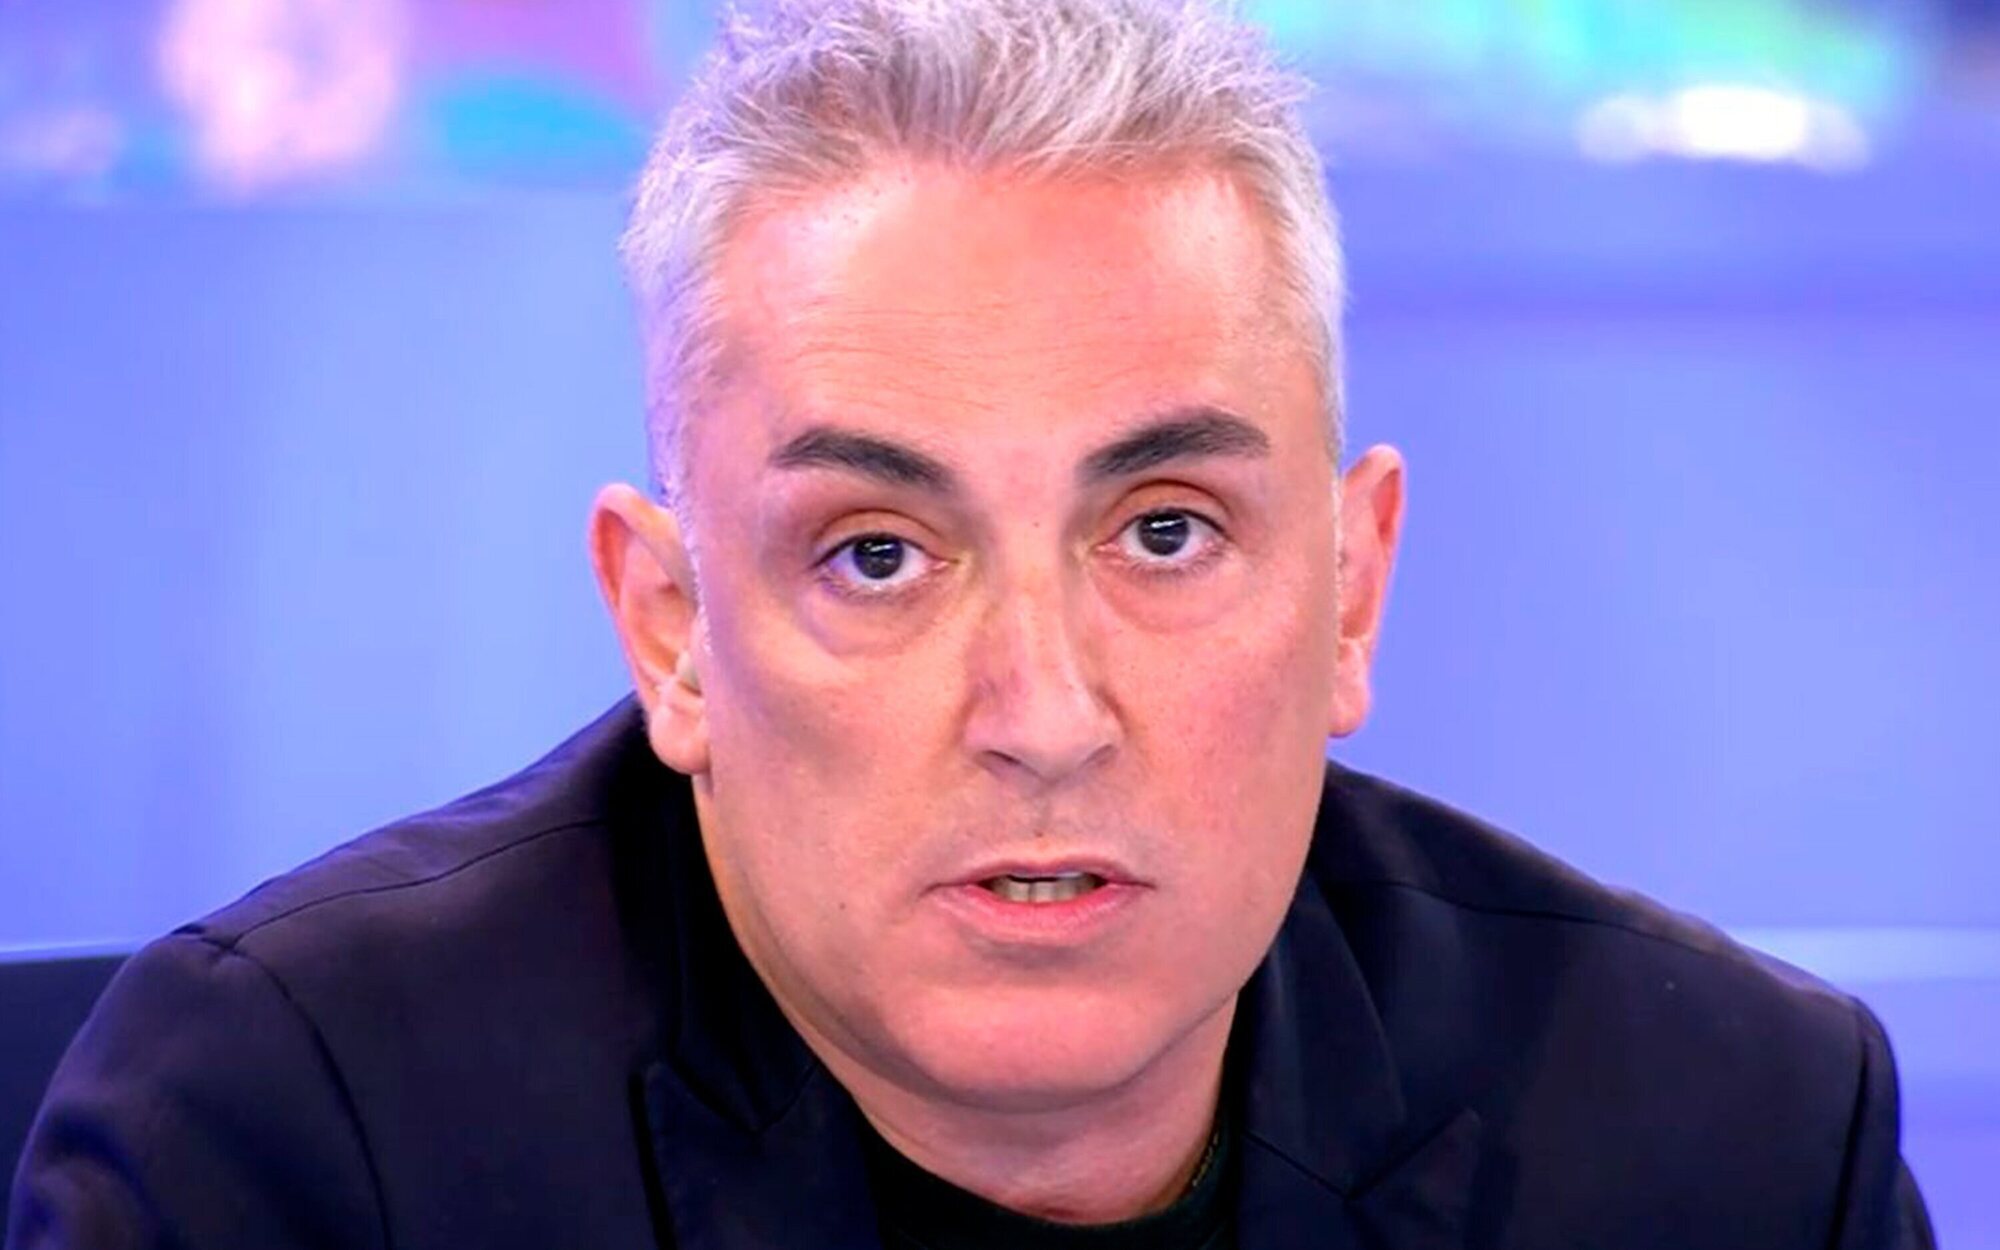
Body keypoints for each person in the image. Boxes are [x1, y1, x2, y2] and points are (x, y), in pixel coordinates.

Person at [7, 1, 1935, 1247]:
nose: (1043, 711)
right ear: (672, 631)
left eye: (1164, 532)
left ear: (1352, 587)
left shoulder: (1733, 1143)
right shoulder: (295, 1142)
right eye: (877, 554)